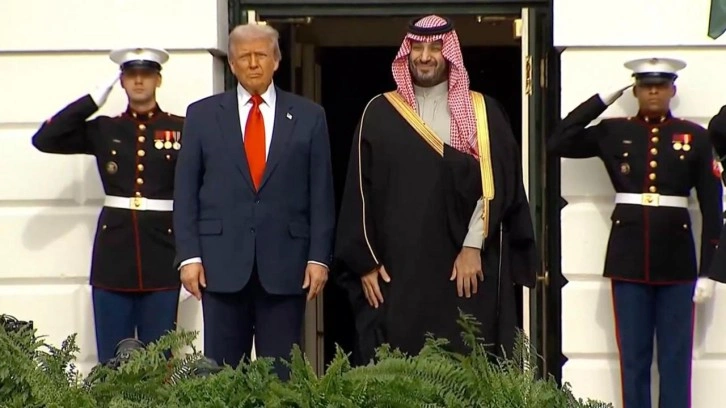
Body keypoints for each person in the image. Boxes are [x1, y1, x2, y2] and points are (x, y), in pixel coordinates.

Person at [334, 15, 537, 364]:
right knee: (396, 364)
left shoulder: (482, 112)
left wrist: (472, 246)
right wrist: (365, 263)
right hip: (398, 272)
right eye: (417, 47)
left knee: (463, 362)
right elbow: (358, 194)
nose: (425, 56)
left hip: (462, 269)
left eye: (435, 48)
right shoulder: (378, 113)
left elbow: (496, 185)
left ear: (451, 54)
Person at [548, 57, 723, 408]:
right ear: (635, 91)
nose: (653, 92)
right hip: (628, 259)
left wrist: (709, 271)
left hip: (677, 264)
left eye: (661, 85)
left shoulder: (696, 137)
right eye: (646, 86)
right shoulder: (613, 132)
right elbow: (558, 141)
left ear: (672, 90)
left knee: (676, 361)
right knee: (633, 360)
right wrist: (602, 99)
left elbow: (712, 208)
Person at [173, 23, 335, 379]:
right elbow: (185, 192)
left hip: (286, 267)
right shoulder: (202, 115)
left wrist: (318, 258)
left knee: (281, 377)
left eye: (261, 55)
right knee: (221, 376)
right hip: (220, 266)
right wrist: (189, 257)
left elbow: (321, 194)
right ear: (231, 65)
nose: (253, 63)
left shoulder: (309, 116)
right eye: (244, 57)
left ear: (276, 60)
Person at [31, 47, 185, 363]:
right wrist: (92, 100)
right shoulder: (105, 129)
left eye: (146, 75)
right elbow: (45, 139)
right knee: (111, 361)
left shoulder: (182, 128)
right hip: (114, 255)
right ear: (122, 81)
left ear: (158, 80)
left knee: (160, 360)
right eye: (131, 75)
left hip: (163, 253)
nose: (139, 81)